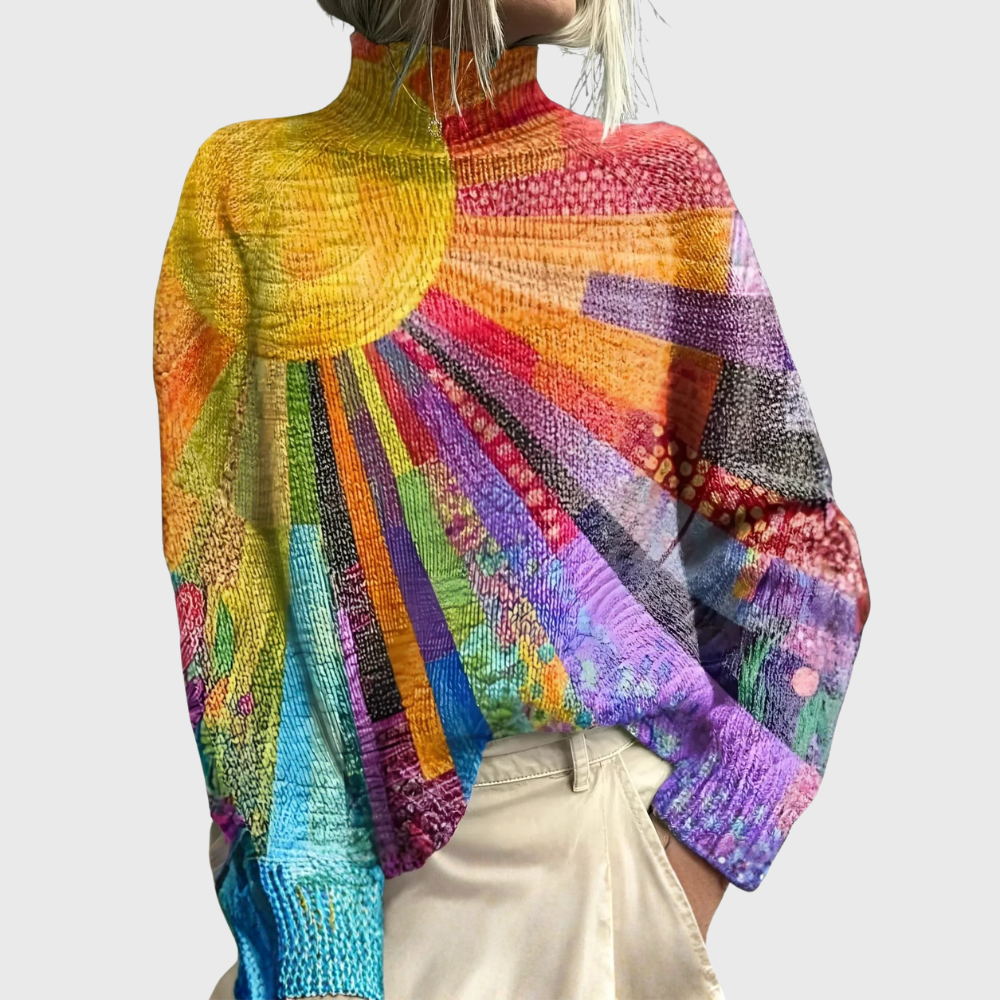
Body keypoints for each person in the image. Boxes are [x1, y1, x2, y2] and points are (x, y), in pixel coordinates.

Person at [153, 1, 869, 997]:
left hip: (591, 854)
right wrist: (317, 958)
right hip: (336, 872)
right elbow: (240, 626)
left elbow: (798, 557)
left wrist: (683, 859)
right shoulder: (256, 187)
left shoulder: (661, 188)